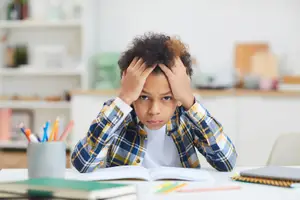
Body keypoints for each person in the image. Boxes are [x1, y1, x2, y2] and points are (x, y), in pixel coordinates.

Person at [71, 32, 237, 172]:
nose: (154, 110)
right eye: (143, 97)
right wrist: (124, 98)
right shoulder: (118, 113)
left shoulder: (186, 117)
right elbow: (83, 164)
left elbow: (226, 161)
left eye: (166, 97)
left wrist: (188, 100)